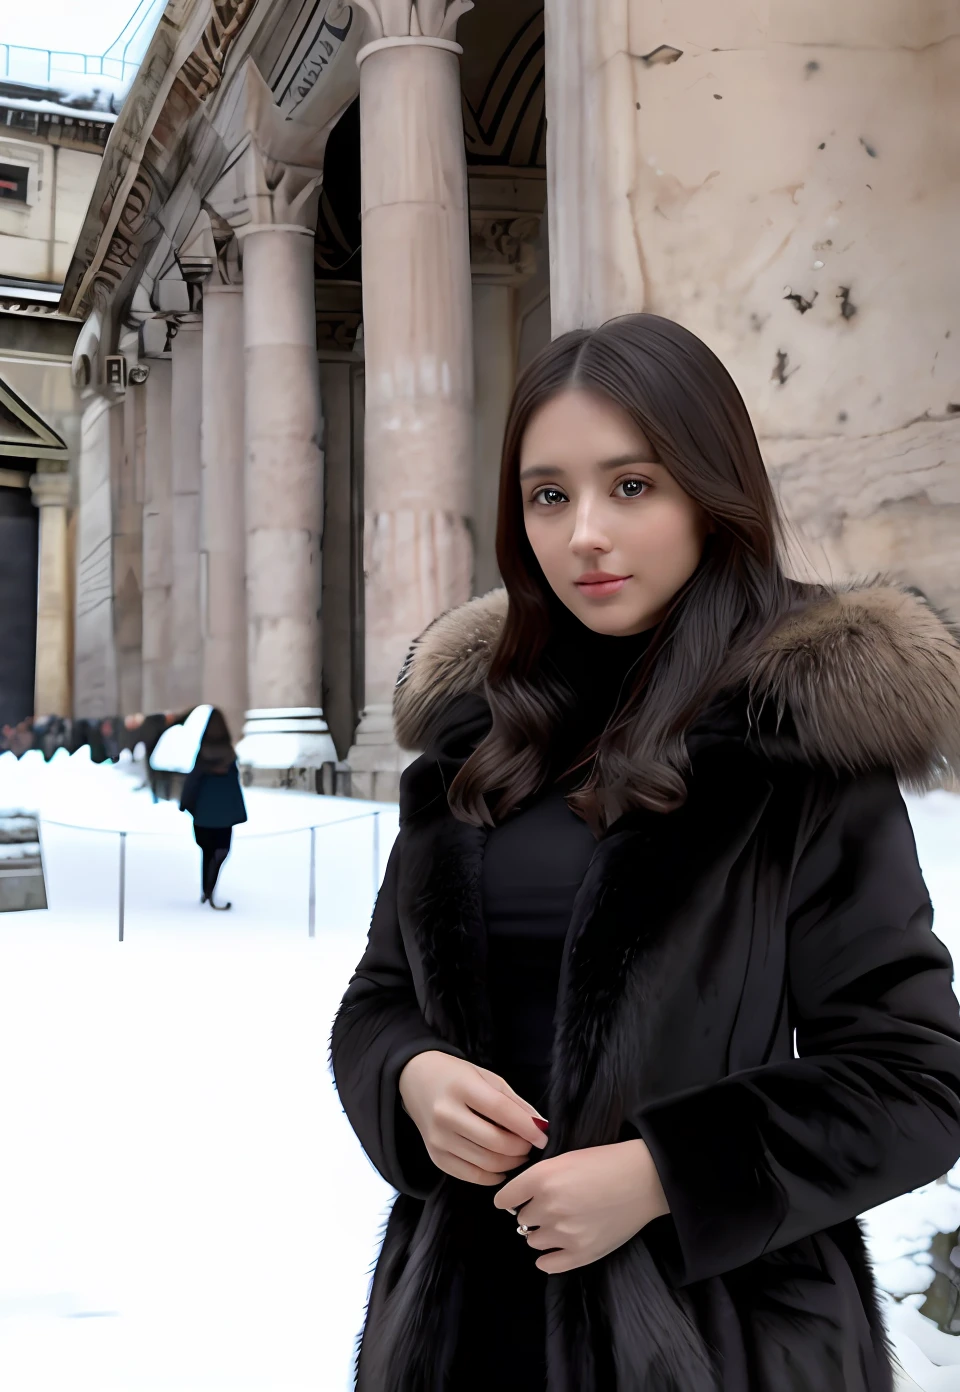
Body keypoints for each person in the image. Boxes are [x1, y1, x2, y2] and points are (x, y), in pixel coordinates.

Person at [329, 314, 960, 1392]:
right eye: (549, 495)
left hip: (721, 1340)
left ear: (712, 495)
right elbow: (381, 1000)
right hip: (463, 1331)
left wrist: (668, 1173)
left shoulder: (797, 744)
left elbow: (914, 1083)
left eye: (632, 486)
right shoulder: (480, 739)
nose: (584, 535)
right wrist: (410, 1078)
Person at [179, 708, 247, 910]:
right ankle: (209, 891)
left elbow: (192, 783)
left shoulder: (202, 757)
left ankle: (207, 891)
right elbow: (233, 788)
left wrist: (188, 805)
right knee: (219, 852)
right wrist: (237, 814)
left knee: (207, 852)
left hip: (203, 817)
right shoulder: (230, 758)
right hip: (223, 819)